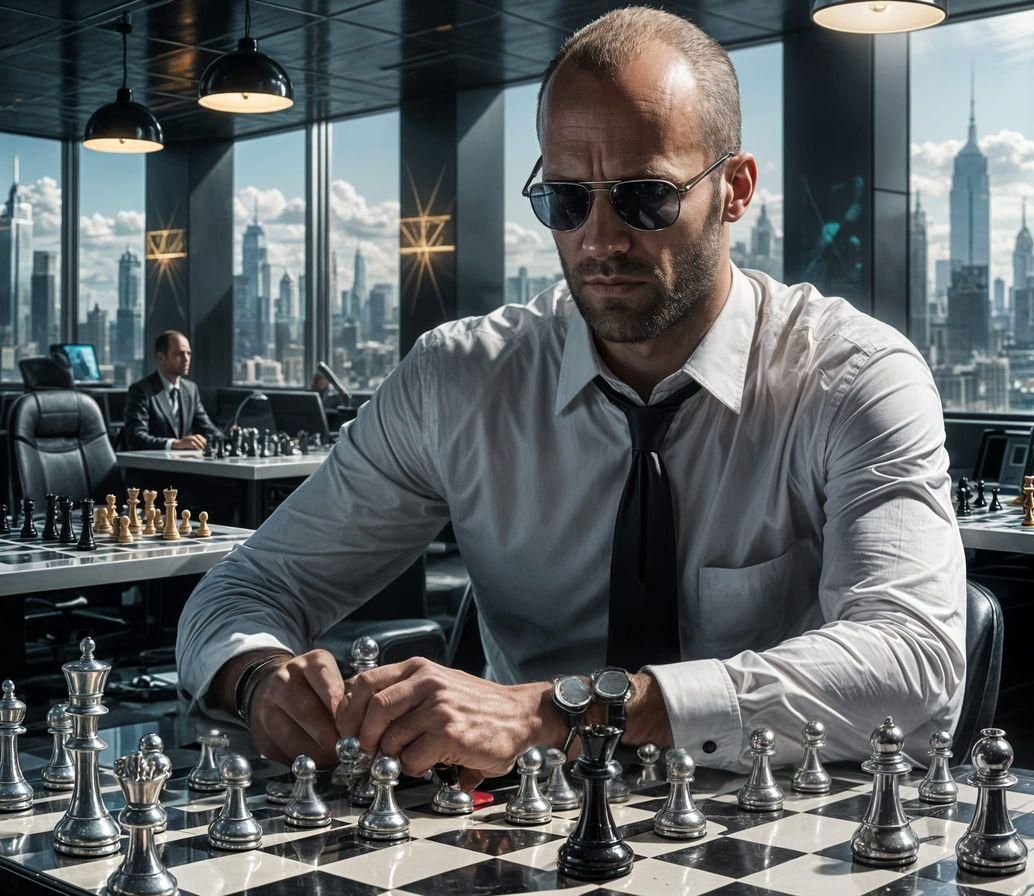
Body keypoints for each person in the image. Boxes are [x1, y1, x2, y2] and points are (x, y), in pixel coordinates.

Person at [176, 7, 965, 790]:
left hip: (781, 829)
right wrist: (258, 678)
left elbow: (914, 662)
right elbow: (244, 590)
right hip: (518, 834)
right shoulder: (458, 381)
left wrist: (564, 713)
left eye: (645, 197)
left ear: (735, 190)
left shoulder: (852, 376)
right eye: (566, 200)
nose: (600, 240)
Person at [124, 331, 224, 451]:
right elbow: (136, 438)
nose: (186, 359)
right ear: (161, 358)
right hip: (153, 466)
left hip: (184, 465)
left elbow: (208, 428)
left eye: (188, 353)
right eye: (179, 354)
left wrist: (230, 438)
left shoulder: (191, 390)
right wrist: (174, 444)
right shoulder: (141, 391)